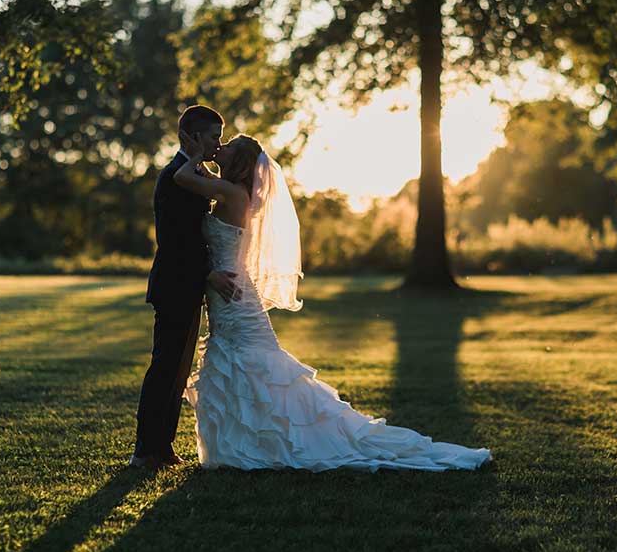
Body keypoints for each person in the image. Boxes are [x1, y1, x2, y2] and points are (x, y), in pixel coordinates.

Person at [171, 130, 492, 472]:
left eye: (227, 147)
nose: (220, 148)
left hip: (232, 293)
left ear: (238, 163)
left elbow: (181, 177)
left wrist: (192, 154)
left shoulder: (232, 193)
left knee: (250, 364)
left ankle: (263, 441)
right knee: (247, 364)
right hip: (229, 289)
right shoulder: (232, 191)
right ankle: (246, 440)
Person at [130, 105, 242, 470]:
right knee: (165, 367)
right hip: (175, 283)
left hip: (190, 285)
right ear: (190, 137)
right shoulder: (172, 177)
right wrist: (208, 273)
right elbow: (176, 240)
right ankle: (145, 450)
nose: (217, 144)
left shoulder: (195, 174)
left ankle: (162, 448)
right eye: (213, 137)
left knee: (178, 370)